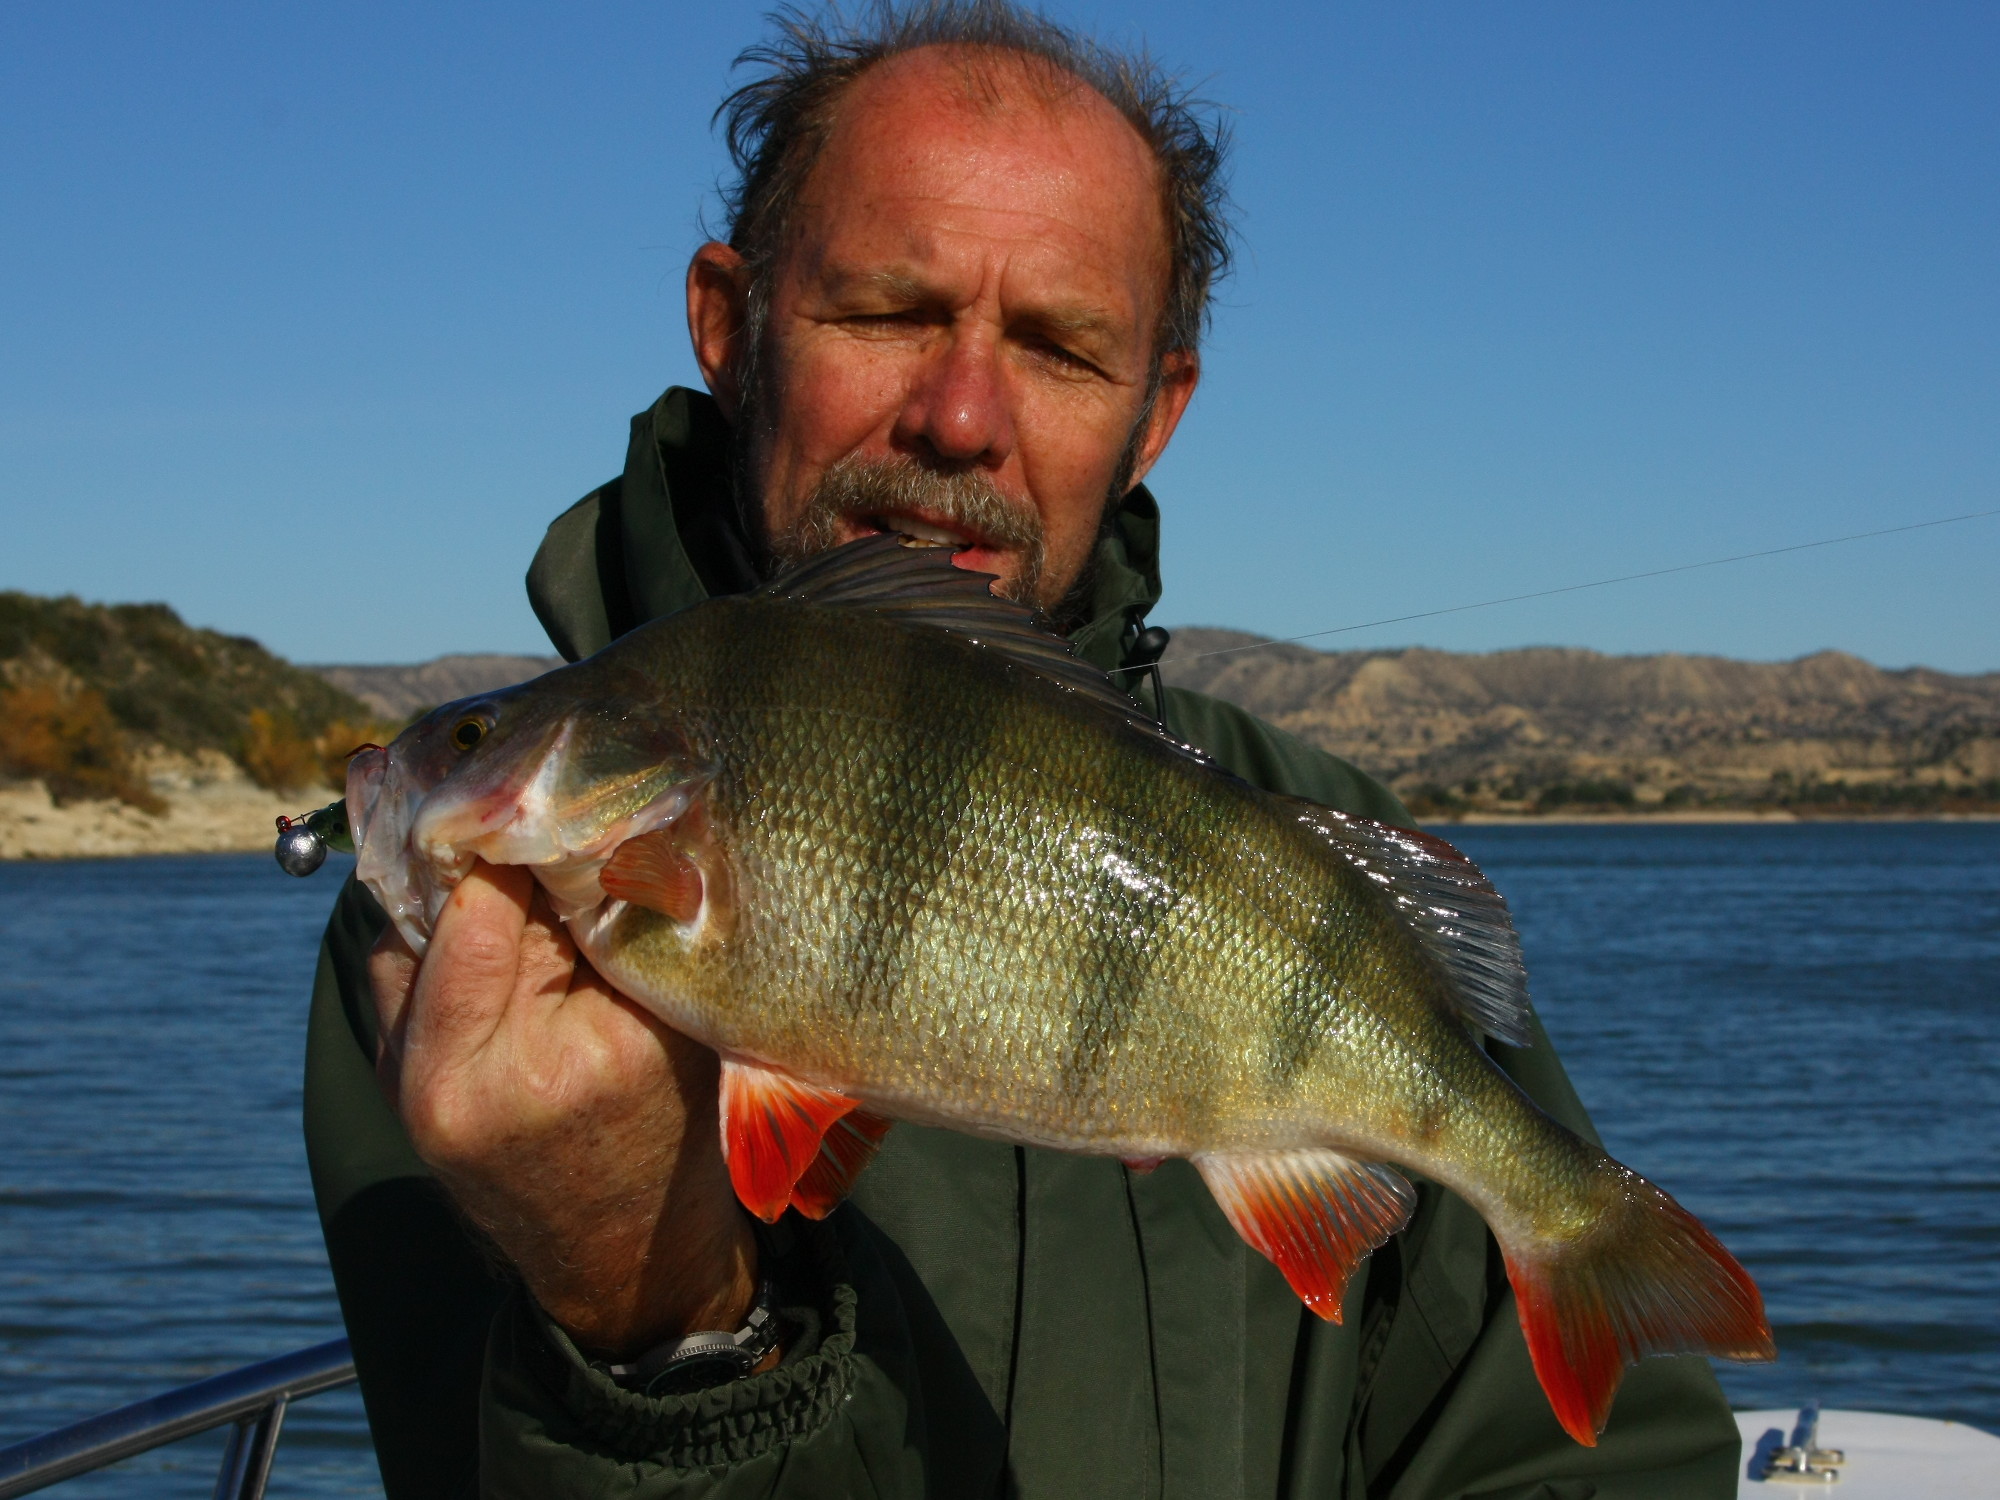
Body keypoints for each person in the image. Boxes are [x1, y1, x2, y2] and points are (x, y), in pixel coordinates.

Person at [304, 4, 1743, 1496]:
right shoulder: (461, 967)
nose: (963, 417)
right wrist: (648, 1314)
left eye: (1058, 346)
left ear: (1157, 411)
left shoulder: (1312, 833)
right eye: (884, 312)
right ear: (731, 329)